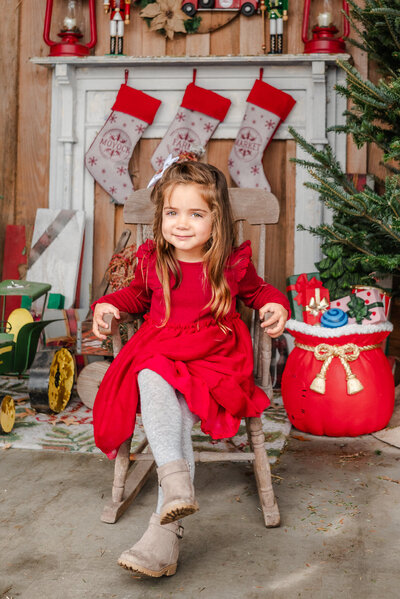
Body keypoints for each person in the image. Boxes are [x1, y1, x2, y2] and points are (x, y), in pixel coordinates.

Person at [91, 160, 290, 578]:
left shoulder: (230, 264)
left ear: (216, 222)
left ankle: (166, 515)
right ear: (161, 216)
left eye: (196, 214)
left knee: (157, 377)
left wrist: (274, 304)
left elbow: (259, 291)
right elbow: (134, 297)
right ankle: (174, 497)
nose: (181, 224)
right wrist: (109, 305)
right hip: (163, 347)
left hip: (214, 356)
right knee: (153, 376)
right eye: (172, 213)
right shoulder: (153, 260)